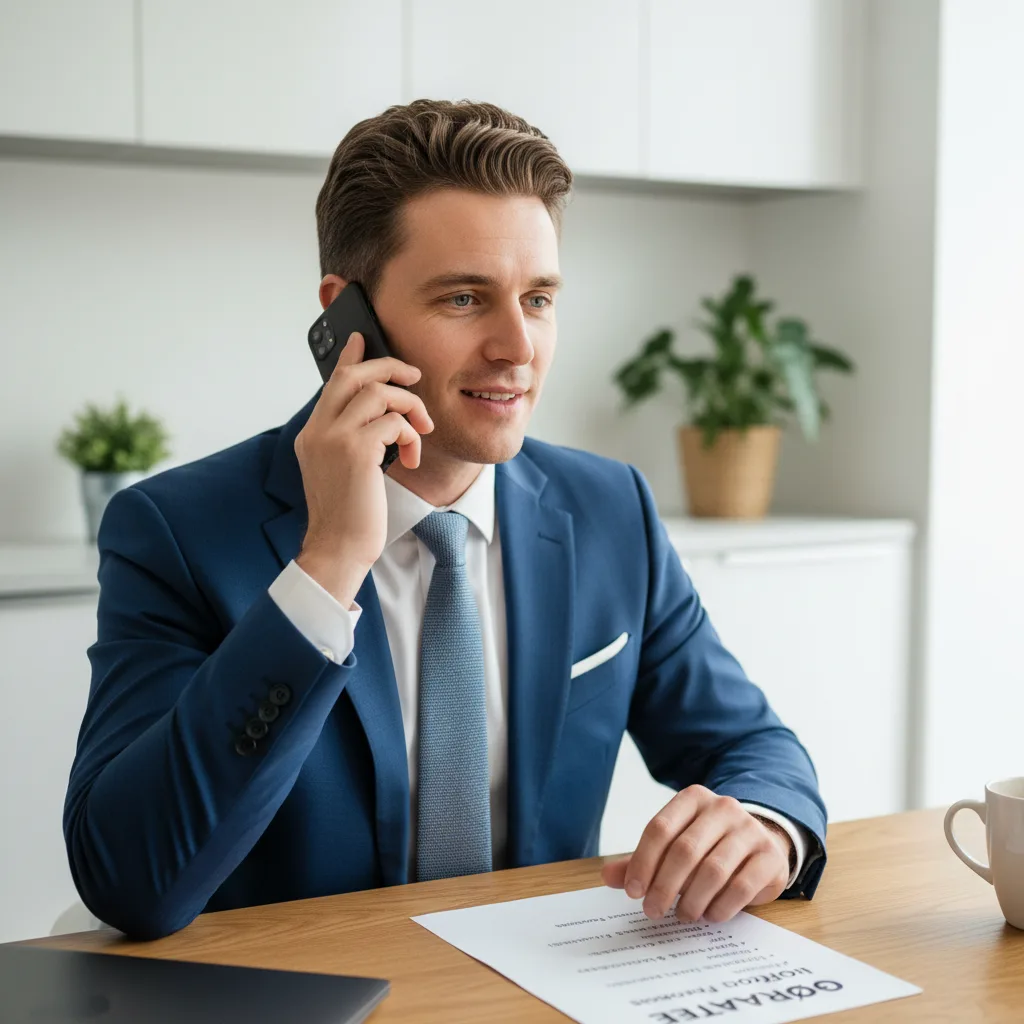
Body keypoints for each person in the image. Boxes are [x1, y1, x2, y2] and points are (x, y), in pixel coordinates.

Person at [64, 100, 826, 941]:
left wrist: (762, 824)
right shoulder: (174, 532)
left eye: (538, 299)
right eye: (465, 298)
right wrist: (327, 568)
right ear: (345, 318)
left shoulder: (611, 511)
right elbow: (130, 879)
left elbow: (754, 748)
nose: (517, 347)